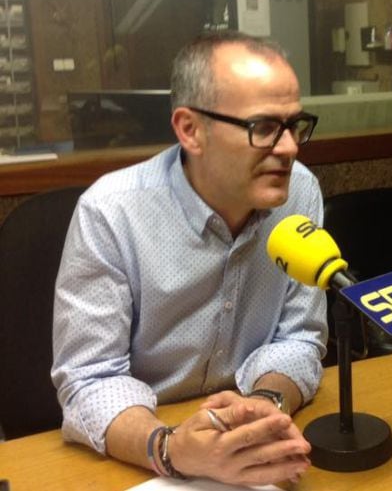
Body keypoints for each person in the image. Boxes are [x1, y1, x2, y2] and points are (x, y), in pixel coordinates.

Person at [51, 31, 328, 487]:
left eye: (295, 125)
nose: (290, 148)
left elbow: (300, 338)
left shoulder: (299, 192)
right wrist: (170, 448)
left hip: (247, 445)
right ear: (190, 130)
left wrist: (265, 405)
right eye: (263, 127)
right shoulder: (111, 212)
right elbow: (90, 379)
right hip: (138, 452)